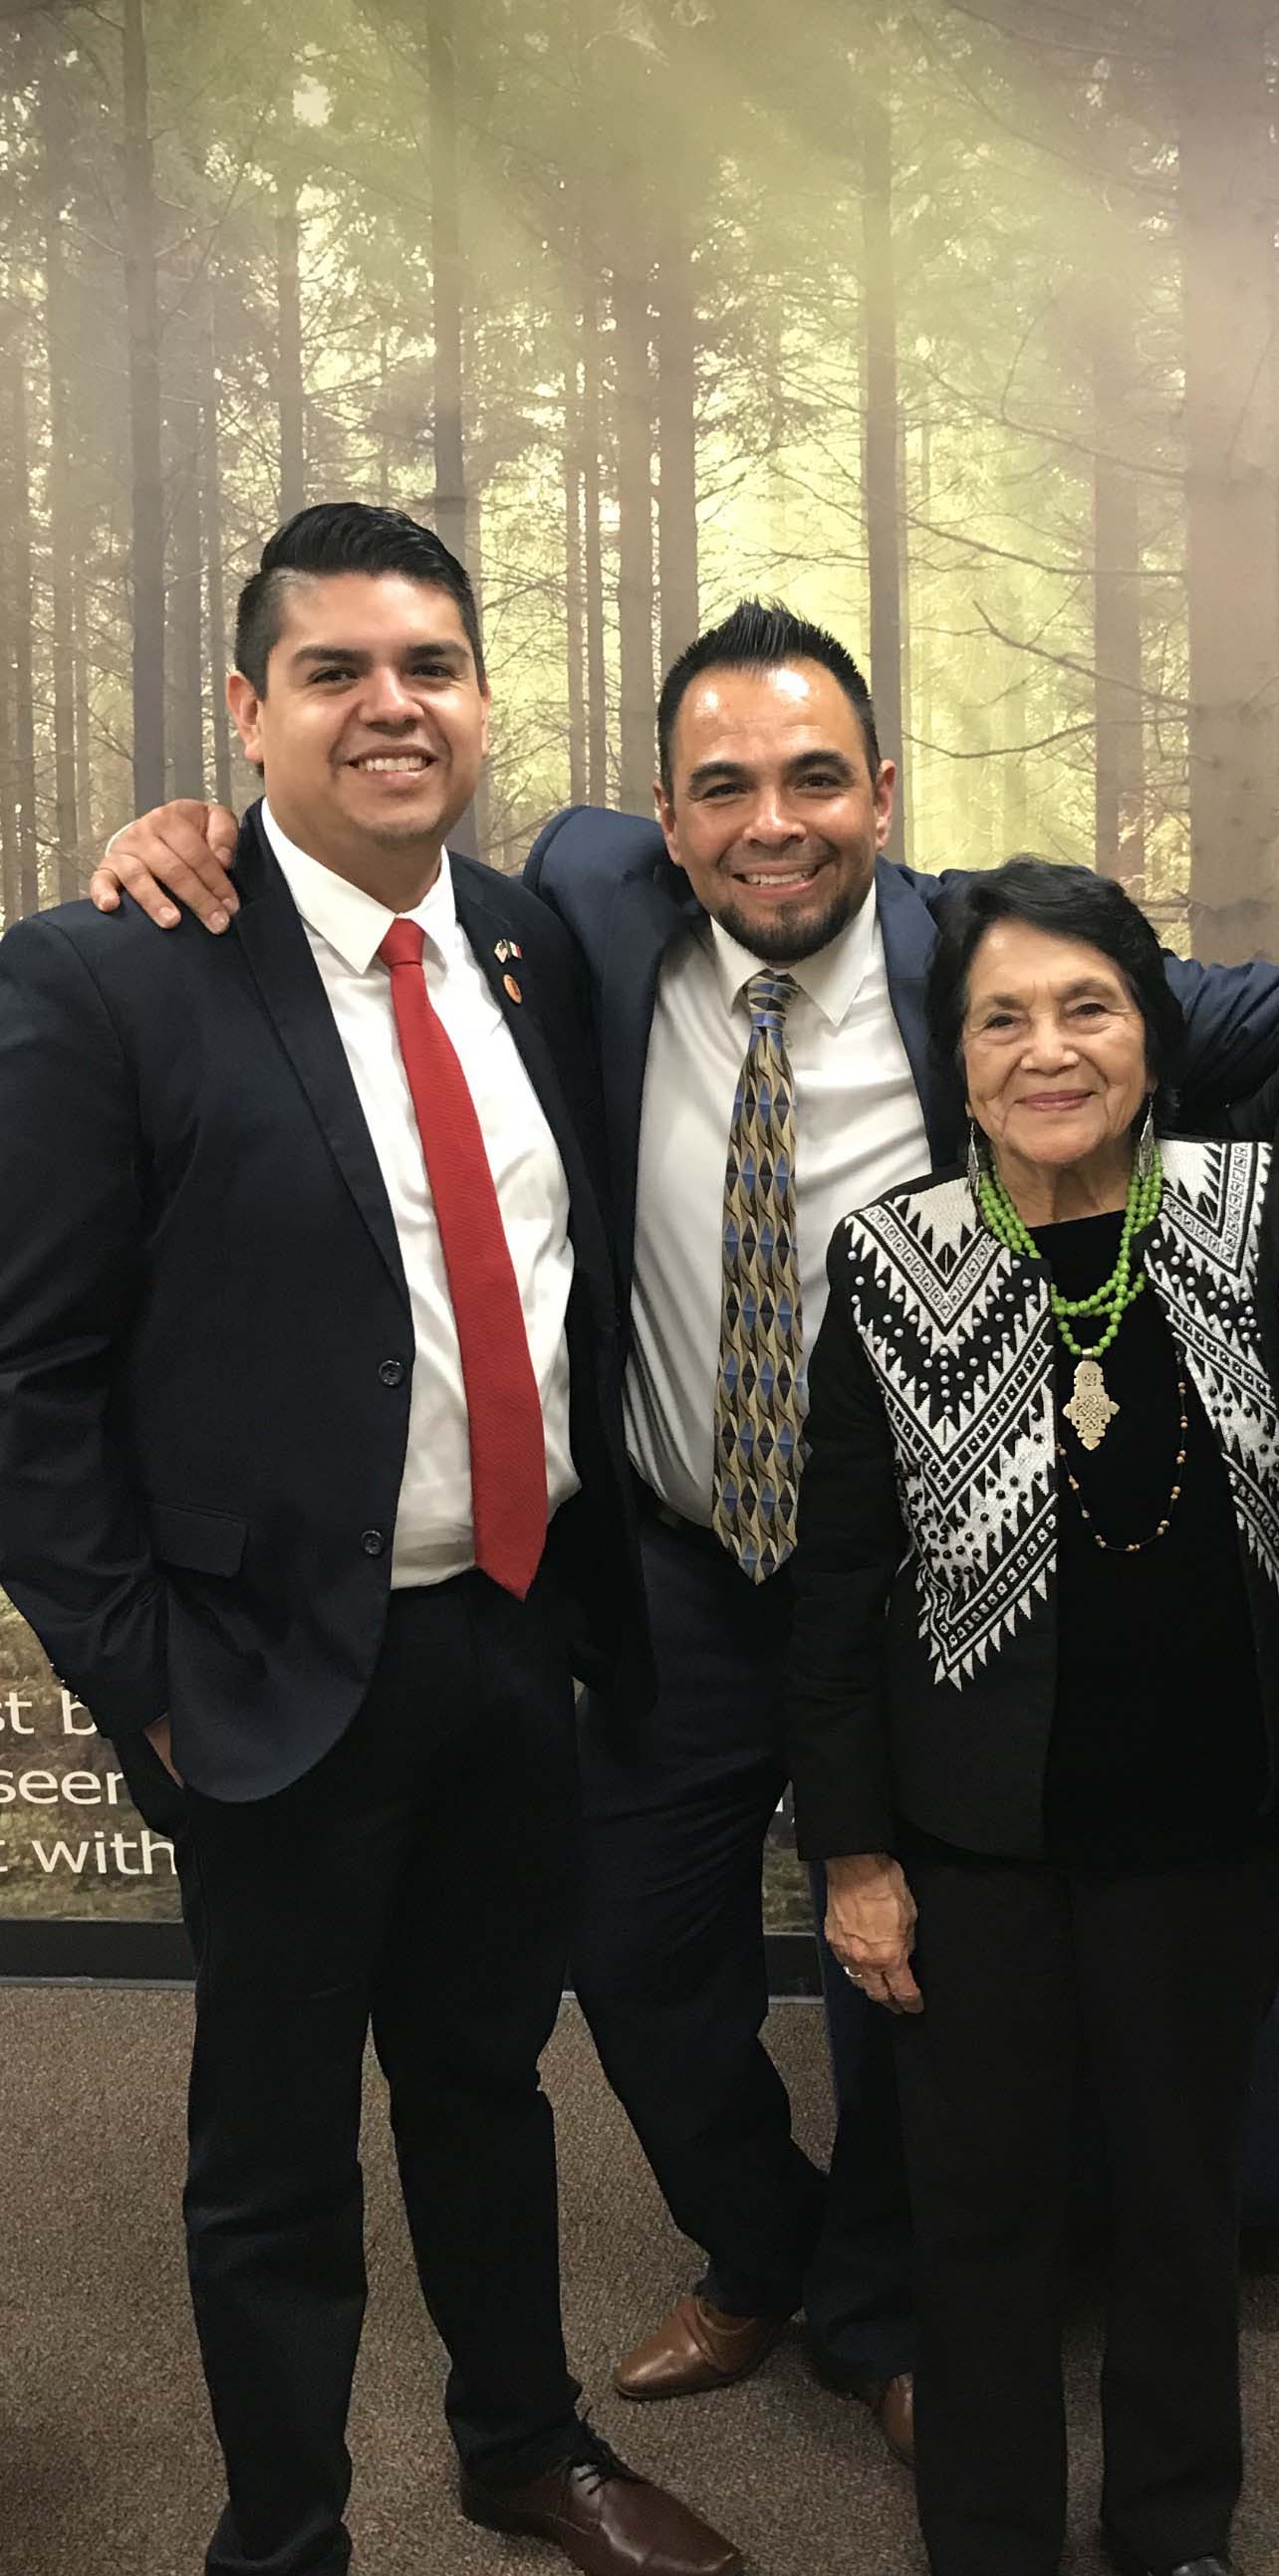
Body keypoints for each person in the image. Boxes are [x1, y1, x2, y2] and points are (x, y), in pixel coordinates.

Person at [89, 601, 1279, 2459]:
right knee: (639, 1960)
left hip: (925, 1585)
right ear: (658, 815)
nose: (770, 823)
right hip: (673, 1572)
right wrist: (202, 831)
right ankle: (768, 2243)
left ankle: (887, 2310)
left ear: (885, 798)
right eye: (721, 787)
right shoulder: (582, 905)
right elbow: (362, 858)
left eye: (816, 779)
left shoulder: (982, 958)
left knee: (904, 1985)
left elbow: (1229, 1018)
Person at [0, 503, 741, 2576]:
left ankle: (520, 2446)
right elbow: (29, 1388)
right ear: (247, 713)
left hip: (518, 1637)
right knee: (268, 2160)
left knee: (487, 2087)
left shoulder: (542, 936)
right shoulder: (111, 970)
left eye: (429, 662)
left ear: (485, 697)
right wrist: (144, 1683)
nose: (390, 703)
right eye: (331, 671)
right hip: (271, 1683)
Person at [788, 856, 1279, 2576]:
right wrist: (853, 1854)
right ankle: (989, 2565)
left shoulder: (1248, 1216)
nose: (1048, 1045)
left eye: (1088, 1006)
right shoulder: (895, 1261)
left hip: (1210, 1827)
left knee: (1180, 2190)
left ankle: (1176, 2521)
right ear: (959, 1059)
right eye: (1003, 1014)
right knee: (978, 2212)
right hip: (971, 1848)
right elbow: (834, 1592)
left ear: (1152, 1039)